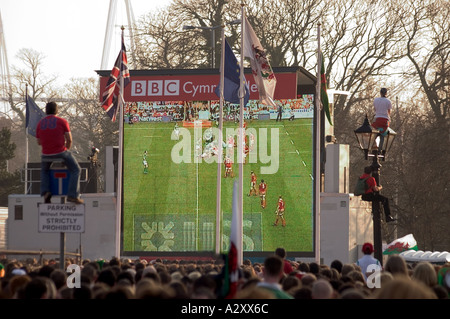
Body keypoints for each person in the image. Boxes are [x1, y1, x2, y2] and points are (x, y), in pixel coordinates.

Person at [36, 102, 83, 204]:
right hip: (60, 152)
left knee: (44, 171)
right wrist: (66, 150)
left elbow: (39, 142)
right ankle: (72, 195)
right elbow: (69, 140)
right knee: (76, 170)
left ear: (46, 111)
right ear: (57, 111)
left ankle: (46, 192)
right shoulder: (62, 121)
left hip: (45, 154)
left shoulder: (40, 123)